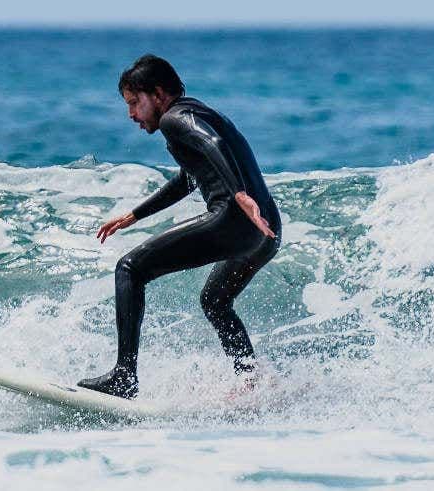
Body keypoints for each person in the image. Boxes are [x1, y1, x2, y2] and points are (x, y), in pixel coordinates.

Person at [80, 54, 282, 399]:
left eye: (134, 103)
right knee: (215, 301)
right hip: (266, 230)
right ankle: (252, 381)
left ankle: (124, 376)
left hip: (235, 219)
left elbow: (212, 145)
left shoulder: (176, 118)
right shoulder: (200, 111)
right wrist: (134, 215)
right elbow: (190, 178)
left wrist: (239, 195)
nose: (131, 115)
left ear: (158, 94)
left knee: (129, 268)